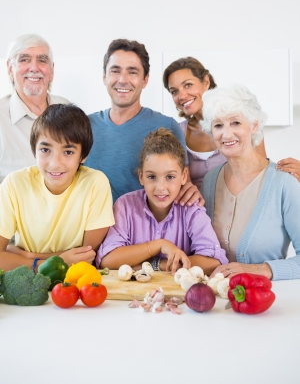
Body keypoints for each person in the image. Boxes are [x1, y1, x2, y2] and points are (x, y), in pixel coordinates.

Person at [200, 85, 300, 281]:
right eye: (218, 125)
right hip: (216, 305)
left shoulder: (284, 182)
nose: (227, 135)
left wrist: (260, 269)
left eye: (236, 123)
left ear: (254, 125)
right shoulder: (210, 180)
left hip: (265, 304)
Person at [85, 39, 202, 205]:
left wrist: (190, 192)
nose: (123, 79)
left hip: (146, 229)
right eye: (115, 71)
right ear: (104, 77)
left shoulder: (166, 126)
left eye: (132, 72)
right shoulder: (85, 126)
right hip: (94, 229)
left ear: (145, 80)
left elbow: (182, 187)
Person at [0, 104, 114, 272]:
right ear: (34, 151)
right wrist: (52, 262)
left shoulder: (95, 183)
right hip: (31, 280)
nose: (55, 163)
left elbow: (87, 257)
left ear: (83, 155)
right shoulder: (14, 184)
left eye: (68, 152)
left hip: (75, 282)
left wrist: (28, 256)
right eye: (45, 149)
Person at [98, 128, 228, 275]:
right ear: (141, 177)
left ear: (184, 175)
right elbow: (107, 260)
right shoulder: (125, 206)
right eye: (152, 177)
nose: (160, 188)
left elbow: (214, 261)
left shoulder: (191, 209)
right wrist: (159, 245)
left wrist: (158, 265)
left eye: (170, 177)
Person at [163, 57, 300, 188]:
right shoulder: (177, 133)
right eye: (174, 91)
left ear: (206, 81)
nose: (181, 96)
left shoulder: (244, 125)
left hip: (237, 207)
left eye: (188, 85)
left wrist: (289, 175)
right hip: (195, 211)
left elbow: (262, 176)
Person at [0, 33, 70, 183]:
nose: (34, 67)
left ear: (51, 70)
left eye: (42, 60)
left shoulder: (67, 109)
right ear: (10, 69)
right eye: (24, 60)